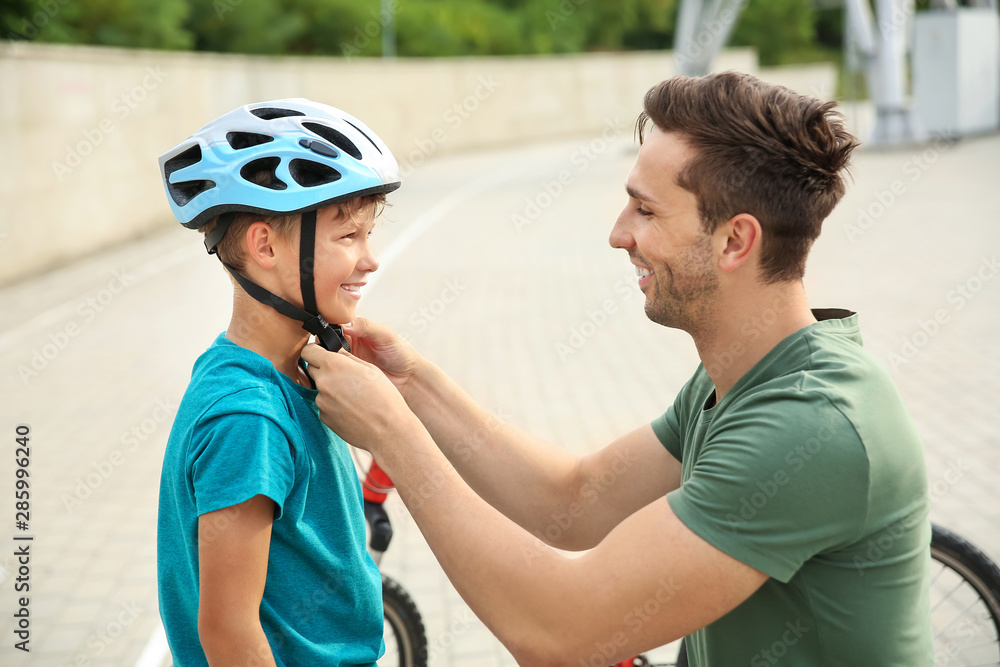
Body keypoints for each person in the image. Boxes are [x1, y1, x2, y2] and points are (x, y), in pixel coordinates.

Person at [300, 72, 933, 666]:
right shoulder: (747, 377)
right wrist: (410, 383)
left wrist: (393, 436)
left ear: (735, 241)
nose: (617, 234)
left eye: (646, 211)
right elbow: (574, 502)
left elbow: (559, 631)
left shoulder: (811, 426)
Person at [155, 98, 400, 666]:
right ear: (264, 246)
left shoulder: (283, 369)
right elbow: (229, 636)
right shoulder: (248, 419)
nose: (371, 260)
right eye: (349, 238)